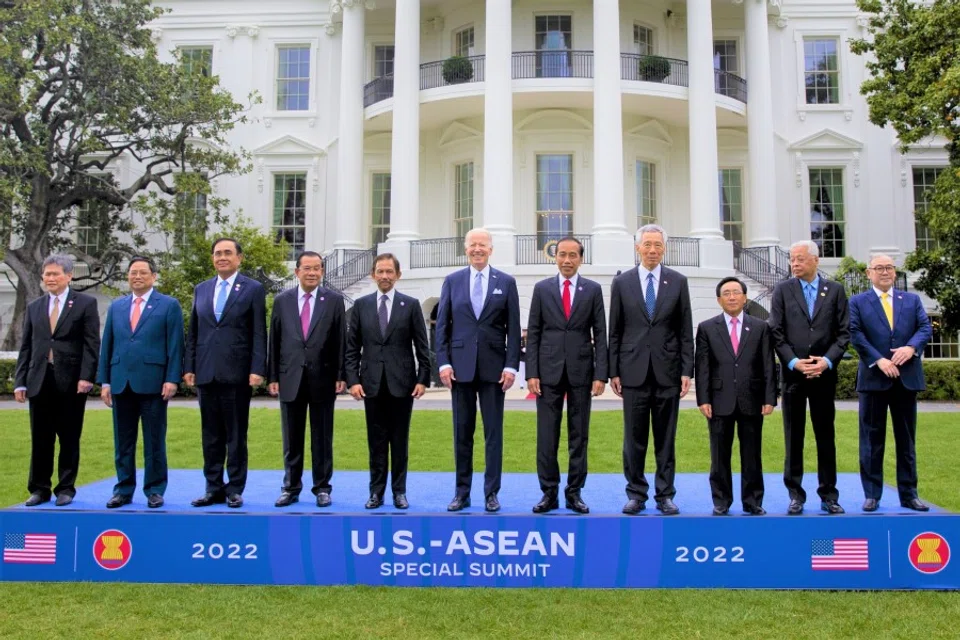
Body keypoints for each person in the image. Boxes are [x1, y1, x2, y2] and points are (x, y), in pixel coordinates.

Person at [609, 224, 693, 516]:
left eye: (657, 245)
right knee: (634, 439)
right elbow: (615, 331)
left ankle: (665, 494)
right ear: (637, 247)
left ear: (664, 248)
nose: (652, 250)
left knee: (665, 438)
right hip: (632, 372)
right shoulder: (622, 283)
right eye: (647, 245)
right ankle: (636, 493)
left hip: (668, 372)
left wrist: (686, 371)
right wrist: (614, 371)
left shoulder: (678, 281)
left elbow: (685, 331)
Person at [436, 227, 521, 512]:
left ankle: (491, 493)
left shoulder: (506, 283)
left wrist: (511, 366)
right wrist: (444, 362)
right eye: (472, 245)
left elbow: (513, 328)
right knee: (462, 433)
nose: (477, 249)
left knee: (493, 434)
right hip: (459, 370)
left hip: (494, 370)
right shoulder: (452, 281)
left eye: (482, 245)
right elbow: (443, 327)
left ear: (491, 249)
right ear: (465, 248)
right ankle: (462, 492)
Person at [525, 237, 607, 514]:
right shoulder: (542, 289)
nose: (567, 260)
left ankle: (574, 492)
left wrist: (601, 374)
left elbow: (601, 333)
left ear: (580, 258)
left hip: (582, 371)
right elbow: (533, 331)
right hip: (547, 372)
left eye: (573, 255)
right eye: (562, 255)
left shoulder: (593, 290)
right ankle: (548, 492)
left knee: (579, 435)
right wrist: (532, 371)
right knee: (546, 436)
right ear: (555, 257)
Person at [184, 238, 267, 509]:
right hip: (207, 372)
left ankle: (234, 488)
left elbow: (258, 331)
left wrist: (257, 369)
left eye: (228, 253)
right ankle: (213, 487)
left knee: (235, 434)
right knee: (211, 435)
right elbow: (194, 332)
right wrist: (190, 366)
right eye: (218, 253)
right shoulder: (201, 289)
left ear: (239, 258)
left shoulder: (252, 289)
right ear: (212, 259)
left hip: (238, 373)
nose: (222, 257)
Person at [768, 240, 849, 515]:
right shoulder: (782, 291)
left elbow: (843, 334)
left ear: (815, 260)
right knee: (794, 437)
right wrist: (794, 362)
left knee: (826, 436)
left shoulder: (835, 291)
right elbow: (776, 332)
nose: (794, 264)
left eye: (800, 259)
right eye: (792, 259)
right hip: (794, 378)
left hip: (824, 377)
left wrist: (825, 362)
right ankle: (795, 494)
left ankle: (829, 494)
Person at [344, 253, 430, 509]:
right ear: (373, 275)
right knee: (376, 441)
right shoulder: (361, 305)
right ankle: (376, 492)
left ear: (398, 275)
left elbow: (422, 346)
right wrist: (352, 380)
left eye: (389, 272)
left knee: (400, 440)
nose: (384, 276)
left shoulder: (411, 305)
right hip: (370, 384)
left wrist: (423, 378)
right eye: (380, 272)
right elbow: (352, 348)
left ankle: (399, 492)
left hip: (402, 383)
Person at [98, 256, 184, 509]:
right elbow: (108, 345)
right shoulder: (117, 307)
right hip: (121, 382)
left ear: (153, 276)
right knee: (122, 441)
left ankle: (155, 489)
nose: (137, 276)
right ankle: (123, 489)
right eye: (133, 272)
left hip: (154, 383)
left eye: (143, 272)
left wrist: (172, 378)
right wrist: (105, 381)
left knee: (154, 440)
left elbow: (175, 345)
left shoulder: (168, 305)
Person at [14, 254, 100, 507]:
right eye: (47, 274)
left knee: (69, 437)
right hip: (39, 380)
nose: (50, 278)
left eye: (55, 274)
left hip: (72, 382)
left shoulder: (85, 304)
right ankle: (39, 489)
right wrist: (20, 381)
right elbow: (27, 346)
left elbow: (91, 344)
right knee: (41, 438)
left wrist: (87, 377)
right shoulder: (35, 307)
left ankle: (66, 488)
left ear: (69, 275)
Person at [849, 254, 932, 512]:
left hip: (906, 379)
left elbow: (924, 328)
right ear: (868, 272)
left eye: (889, 268)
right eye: (879, 268)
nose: (884, 272)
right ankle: (872, 495)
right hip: (874, 379)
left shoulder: (911, 300)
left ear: (895, 273)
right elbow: (855, 333)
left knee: (906, 441)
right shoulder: (858, 302)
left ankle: (909, 494)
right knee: (871, 441)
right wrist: (878, 360)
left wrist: (911, 348)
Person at [267, 251, 346, 508]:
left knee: (322, 437)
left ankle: (322, 487)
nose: (312, 273)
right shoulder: (282, 301)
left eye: (317, 268)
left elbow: (340, 341)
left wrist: (340, 375)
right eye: (307, 268)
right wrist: (273, 376)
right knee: (292, 438)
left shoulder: (333, 301)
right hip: (290, 378)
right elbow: (274, 341)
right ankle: (290, 487)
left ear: (322, 272)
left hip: (323, 378)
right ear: (297, 272)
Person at [695, 277, 776, 516]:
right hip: (719, 400)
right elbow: (703, 367)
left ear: (745, 297)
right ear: (719, 299)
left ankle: (752, 501)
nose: (731, 297)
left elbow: (768, 365)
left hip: (751, 398)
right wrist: (703, 399)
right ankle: (721, 501)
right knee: (719, 455)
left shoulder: (760, 327)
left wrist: (769, 397)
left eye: (736, 292)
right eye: (726, 293)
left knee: (752, 454)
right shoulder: (707, 327)